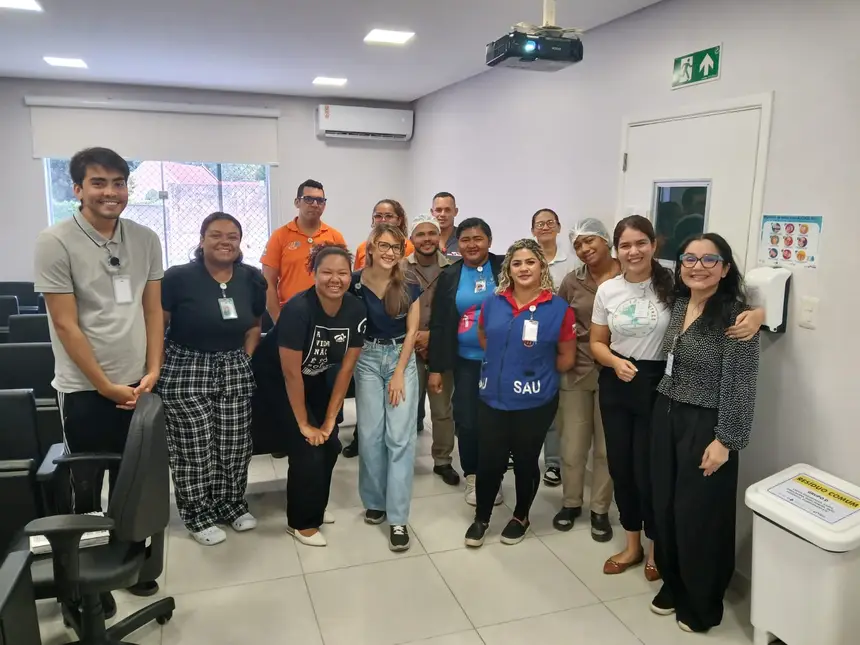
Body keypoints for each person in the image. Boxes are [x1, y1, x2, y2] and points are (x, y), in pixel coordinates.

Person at [34, 146, 163, 598]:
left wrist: (153, 369)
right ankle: (89, 583)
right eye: (99, 182)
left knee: (135, 480)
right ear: (78, 189)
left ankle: (131, 559)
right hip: (86, 390)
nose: (111, 192)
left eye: (119, 182)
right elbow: (66, 324)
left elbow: (152, 309)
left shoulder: (145, 238)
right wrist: (105, 385)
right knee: (87, 483)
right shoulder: (56, 241)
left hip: (140, 384)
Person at [649, 234, 759, 633]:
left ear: (726, 268)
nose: (698, 266)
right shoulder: (680, 304)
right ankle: (673, 582)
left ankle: (702, 599)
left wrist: (726, 439)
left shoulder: (738, 316)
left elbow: (742, 383)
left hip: (707, 424)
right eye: (689, 258)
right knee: (665, 505)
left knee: (699, 514)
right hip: (667, 414)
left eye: (709, 260)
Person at [158, 212, 265, 546]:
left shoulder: (252, 278)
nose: (225, 242)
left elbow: (254, 325)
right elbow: (157, 326)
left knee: (234, 444)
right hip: (186, 367)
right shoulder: (177, 277)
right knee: (194, 447)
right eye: (216, 235)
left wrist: (242, 359)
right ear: (202, 238)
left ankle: (231, 504)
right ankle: (198, 514)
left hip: (233, 364)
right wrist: (157, 369)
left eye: (232, 236)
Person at [252, 244, 366, 547]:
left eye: (342, 273)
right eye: (326, 272)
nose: (335, 279)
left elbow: (345, 370)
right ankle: (301, 524)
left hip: (315, 375)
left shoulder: (355, 308)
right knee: (308, 446)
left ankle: (314, 506)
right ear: (313, 273)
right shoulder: (298, 309)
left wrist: (330, 420)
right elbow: (290, 373)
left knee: (329, 445)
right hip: (274, 380)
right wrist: (304, 423)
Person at [464, 239, 576, 547]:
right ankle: (482, 517)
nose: (524, 268)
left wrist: (531, 369)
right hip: (492, 398)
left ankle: (521, 516)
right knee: (489, 461)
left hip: (535, 402)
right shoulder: (493, 303)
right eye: (517, 263)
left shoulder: (558, 309)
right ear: (508, 270)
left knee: (526, 462)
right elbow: (486, 338)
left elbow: (566, 357)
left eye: (530, 262)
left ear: (541, 266)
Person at [590, 215, 674, 582]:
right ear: (617, 250)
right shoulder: (608, 290)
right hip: (617, 382)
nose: (633, 251)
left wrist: (758, 314)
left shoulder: (673, 285)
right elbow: (596, 342)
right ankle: (632, 544)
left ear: (654, 245)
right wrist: (614, 362)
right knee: (620, 466)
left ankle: (656, 548)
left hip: (658, 383)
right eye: (625, 245)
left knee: (649, 470)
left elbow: (729, 297)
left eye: (641, 243)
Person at [350, 223, 421, 551]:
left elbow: (412, 332)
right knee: (371, 434)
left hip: (399, 358)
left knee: (399, 437)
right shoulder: (354, 283)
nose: (390, 252)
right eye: (384, 246)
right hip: (366, 358)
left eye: (396, 247)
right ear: (372, 247)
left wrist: (398, 373)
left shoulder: (408, 282)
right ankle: (375, 501)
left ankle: (398, 518)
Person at [552, 218, 620, 541]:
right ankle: (571, 502)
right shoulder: (571, 281)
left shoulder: (629, 276)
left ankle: (600, 509)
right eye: (578, 244)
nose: (584, 249)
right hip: (576, 370)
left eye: (590, 241)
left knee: (607, 448)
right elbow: (559, 321)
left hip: (617, 371)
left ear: (607, 240)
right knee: (573, 442)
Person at [428, 218, 504, 506]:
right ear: (457, 244)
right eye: (465, 239)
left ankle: (493, 476)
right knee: (468, 421)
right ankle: (473, 475)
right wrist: (436, 368)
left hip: (503, 361)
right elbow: (439, 324)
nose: (472, 244)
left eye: (478, 238)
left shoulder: (505, 268)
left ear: (489, 240)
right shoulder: (450, 275)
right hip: (466, 361)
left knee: (496, 421)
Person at [342, 198, 412, 459]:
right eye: (378, 215)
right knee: (370, 424)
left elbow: (410, 309)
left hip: (399, 346)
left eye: (389, 215)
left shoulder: (407, 266)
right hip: (367, 348)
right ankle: (365, 444)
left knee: (398, 428)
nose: (389, 252)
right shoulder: (360, 266)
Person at [402, 214, 458, 485]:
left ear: (439, 237)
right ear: (411, 239)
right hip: (406, 349)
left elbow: (456, 312)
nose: (426, 239)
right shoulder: (400, 269)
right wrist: (413, 337)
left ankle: (443, 460)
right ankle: (402, 461)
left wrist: (432, 336)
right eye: (420, 234)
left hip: (441, 348)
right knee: (405, 409)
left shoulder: (454, 268)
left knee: (442, 409)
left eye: (431, 234)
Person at [260, 179, 346, 322]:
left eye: (320, 200)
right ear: (297, 202)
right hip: (290, 313)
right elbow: (267, 281)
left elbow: (343, 278)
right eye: (308, 199)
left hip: (327, 315)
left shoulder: (334, 237)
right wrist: (278, 320)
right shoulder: (279, 236)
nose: (314, 204)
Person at [531, 208, 573, 487]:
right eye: (539, 224)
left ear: (558, 227)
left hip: (559, 339)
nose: (545, 227)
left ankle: (553, 463)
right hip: (528, 341)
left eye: (550, 223)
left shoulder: (571, 263)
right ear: (532, 230)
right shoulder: (525, 258)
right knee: (525, 399)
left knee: (552, 404)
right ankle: (520, 452)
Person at [353, 199, 414, 270]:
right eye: (378, 216)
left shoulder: (410, 248)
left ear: (399, 221)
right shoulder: (363, 247)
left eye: (389, 216)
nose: (383, 220)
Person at [430, 192, 462, 259]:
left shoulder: (464, 238)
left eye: (447, 210)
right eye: (438, 210)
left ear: (455, 212)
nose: (442, 214)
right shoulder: (424, 239)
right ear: (432, 212)